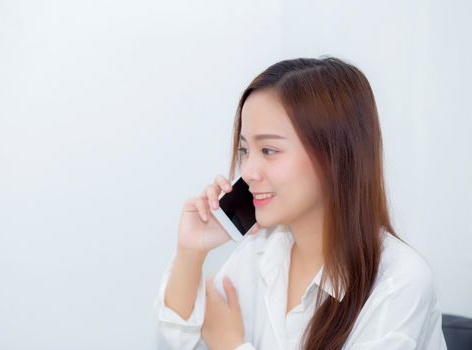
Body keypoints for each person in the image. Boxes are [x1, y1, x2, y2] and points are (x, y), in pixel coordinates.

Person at [153, 56, 448, 350]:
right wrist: (191, 252)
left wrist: (230, 346)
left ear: (334, 156)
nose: (247, 171)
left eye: (268, 150)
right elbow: (176, 344)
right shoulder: (259, 251)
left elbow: (216, 339)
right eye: (244, 149)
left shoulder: (400, 282)